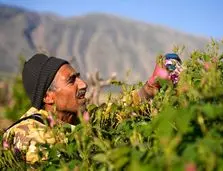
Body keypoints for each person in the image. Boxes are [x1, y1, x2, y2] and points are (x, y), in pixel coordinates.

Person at [2, 53, 182, 164]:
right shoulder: (27, 134)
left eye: (78, 77)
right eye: (72, 80)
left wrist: (151, 87)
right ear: (48, 96)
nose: (83, 84)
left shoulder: (76, 119)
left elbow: (116, 110)